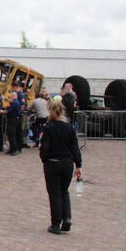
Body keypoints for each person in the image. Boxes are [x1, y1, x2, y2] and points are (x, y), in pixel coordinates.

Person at [40, 100, 82, 235]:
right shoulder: (69, 128)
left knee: (54, 193)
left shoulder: (49, 127)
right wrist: (78, 164)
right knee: (64, 191)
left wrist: (44, 159)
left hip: (53, 162)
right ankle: (67, 217)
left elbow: (45, 147)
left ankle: (56, 223)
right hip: (67, 163)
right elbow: (75, 147)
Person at [4, 83, 23, 156]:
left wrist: (1, 111)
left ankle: (14, 149)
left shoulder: (15, 103)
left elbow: (8, 110)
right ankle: (13, 149)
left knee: (12, 134)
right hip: (15, 119)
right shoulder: (16, 102)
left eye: (10, 96)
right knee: (12, 134)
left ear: (13, 96)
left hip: (13, 119)